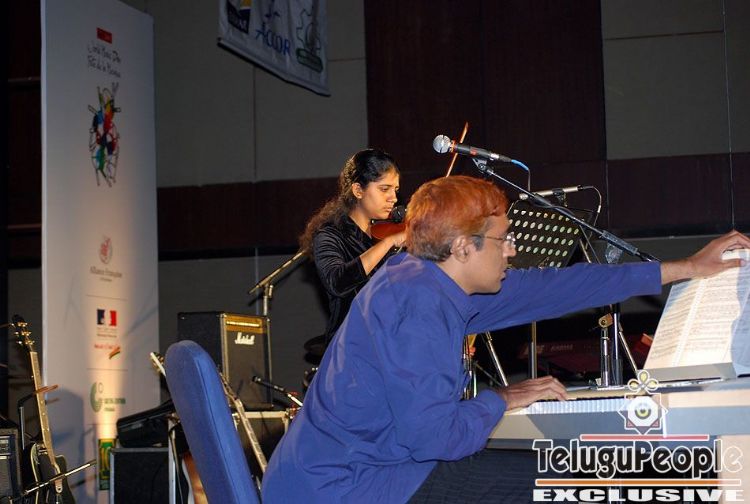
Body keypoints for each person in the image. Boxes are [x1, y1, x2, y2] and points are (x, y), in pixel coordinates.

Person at [264, 175, 750, 503]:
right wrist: (500, 398)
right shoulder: (417, 306)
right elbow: (436, 439)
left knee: (574, 471)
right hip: (345, 487)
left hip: (355, 470)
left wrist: (686, 268)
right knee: (573, 481)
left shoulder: (429, 279)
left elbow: (558, 287)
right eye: (504, 239)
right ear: (462, 247)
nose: (513, 251)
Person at [300, 148, 406, 347]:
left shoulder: (389, 232)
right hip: (351, 346)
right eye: (384, 189)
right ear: (358, 190)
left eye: (395, 189)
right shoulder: (329, 235)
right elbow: (337, 282)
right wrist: (388, 243)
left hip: (391, 344)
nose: (393, 198)